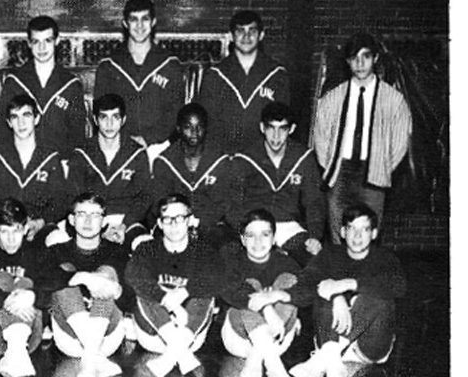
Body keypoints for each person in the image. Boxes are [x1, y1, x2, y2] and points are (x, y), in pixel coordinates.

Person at [289, 203, 407, 377]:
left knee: (377, 297)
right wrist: (336, 296)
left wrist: (348, 284)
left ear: (374, 234)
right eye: (352, 229)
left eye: (364, 230)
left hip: (368, 345)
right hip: (331, 336)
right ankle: (333, 365)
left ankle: (321, 361)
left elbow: (399, 287)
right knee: (324, 288)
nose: (357, 236)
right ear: (343, 232)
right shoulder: (329, 255)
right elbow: (300, 289)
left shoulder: (385, 258)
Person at [311, 33, 412, 242]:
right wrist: (331, 165)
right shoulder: (333, 98)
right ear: (347, 61)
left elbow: (401, 141)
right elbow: (320, 137)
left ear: (375, 58)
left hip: (373, 174)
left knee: (368, 233)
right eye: (354, 58)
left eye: (365, 56)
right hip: (340, 172)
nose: (360, 64)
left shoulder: (393, 99)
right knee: (339, 232)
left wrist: (382, 167)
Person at [125, 193, 222, 377]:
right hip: (154, 335)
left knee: (206, 293)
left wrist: (185, 292)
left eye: (180, 218)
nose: (174, 224)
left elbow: (216, 279)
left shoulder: (204, 251)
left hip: (190, 335)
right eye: (167, 219)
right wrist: (171, 303)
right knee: (142, 290)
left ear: (190, 221)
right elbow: (134, 277)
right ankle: (180, 353)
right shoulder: (147, 249)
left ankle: (170, 358)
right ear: (160, 223)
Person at [42, 192, 130, 377]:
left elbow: (131, 300)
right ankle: (93, 358)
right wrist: (81, 277)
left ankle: (90, 358)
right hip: (70, 339)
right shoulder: (56, 251)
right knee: (64, 272)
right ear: (71, 220)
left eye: (95, 215)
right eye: (82, 214)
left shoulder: (117, 251)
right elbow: (41, 291)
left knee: (107, 272)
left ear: (104, 221)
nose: (88, 221)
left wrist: (116, 289)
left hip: (107, 337)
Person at [219, 209, 309, 377]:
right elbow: (229, 292)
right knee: (250, 285)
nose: (258, 241)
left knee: (289, 280)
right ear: (243, 240)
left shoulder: (287, 263)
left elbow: (308, 292)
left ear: (274, 238)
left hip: (279, 338)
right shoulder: (232, 262)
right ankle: (274, 366)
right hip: (240, 338)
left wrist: (277, 295)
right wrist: (266, 308)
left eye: (265, 234)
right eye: (251, 235)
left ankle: (255, 360)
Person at [230, 101, 325, 265]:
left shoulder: (303, 158)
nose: (276, 136)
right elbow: (232, 203)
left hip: (288, 226)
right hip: (255, 224)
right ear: (262, 127)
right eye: (271, 128)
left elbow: (314, 201)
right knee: (236, 261)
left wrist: (315, 236)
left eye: (282, 129)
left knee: (313, 262)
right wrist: (243, 229)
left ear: (292, 129)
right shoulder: (245, 158)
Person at [93, 0, 185, 157]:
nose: (140, 25)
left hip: (160, 147)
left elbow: (176, 112)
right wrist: (126, 140)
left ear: (153, 22)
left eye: (145, 19)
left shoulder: (170, 64)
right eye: (134, 19)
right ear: (125, 23)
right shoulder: (109, 65)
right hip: (118, 146)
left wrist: (148, 138)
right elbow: (101, 111)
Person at [197, 10, 290, 154]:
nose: (246, 36)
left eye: (252, 31)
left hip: (263, 157)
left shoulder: (277, 74)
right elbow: (207, 123)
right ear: (231, 36)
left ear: (261, 35)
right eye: (240, 31)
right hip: (225, 156)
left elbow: (282, 124)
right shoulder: (215, 75)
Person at [67, 93, 151, 247]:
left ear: (123, 120)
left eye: (115, 117)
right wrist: (100, 229)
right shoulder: (81, 153)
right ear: (95, 120)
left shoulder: (137, 153)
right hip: (91, 220)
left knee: (143, 244)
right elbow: (74, 196)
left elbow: (144, 197)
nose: (109, 123)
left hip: (126, 221)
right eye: (104, 117)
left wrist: (124, 225)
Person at [0, 198, 47, 377]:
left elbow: (50, 288)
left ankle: (16, 350)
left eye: (16, 231)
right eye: (4, 231)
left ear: (25, 229)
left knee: (25, 283)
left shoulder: (36, 251)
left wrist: (31, 295)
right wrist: (5, 299)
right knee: (0, 278)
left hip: (29, 338)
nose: (10, 239)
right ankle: (17, 353)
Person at [0, 15, 88, 154]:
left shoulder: (71, 84)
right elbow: (4, 132)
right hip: (24, 162)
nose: (42, 48)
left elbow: (78, 136)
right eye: (36, 42)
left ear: (57, 41)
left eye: (47, 40)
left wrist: (70, 163)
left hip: (60, 162)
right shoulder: (14, 82)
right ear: (29, 43)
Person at [149, 103, 234, 247]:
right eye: (188, 127)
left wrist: (201, 223)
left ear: (206, 128)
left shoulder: (220, 160)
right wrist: (181, 221)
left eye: (199, 126)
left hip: (209, 226)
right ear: (178, 128)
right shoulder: (164, 162)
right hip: (175, 224)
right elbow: (159, 203)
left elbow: (224, 203)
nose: (194, 132)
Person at [0, 95, 67, 244]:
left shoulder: (50, 157)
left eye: (26, 115)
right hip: (6, 226)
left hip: (39, 226)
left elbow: (60, 200)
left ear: (36, 119)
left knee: (58, 239)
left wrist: (40, 222)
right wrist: (7, 222)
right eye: (15, 117)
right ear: (9, 123)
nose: (21, 123)